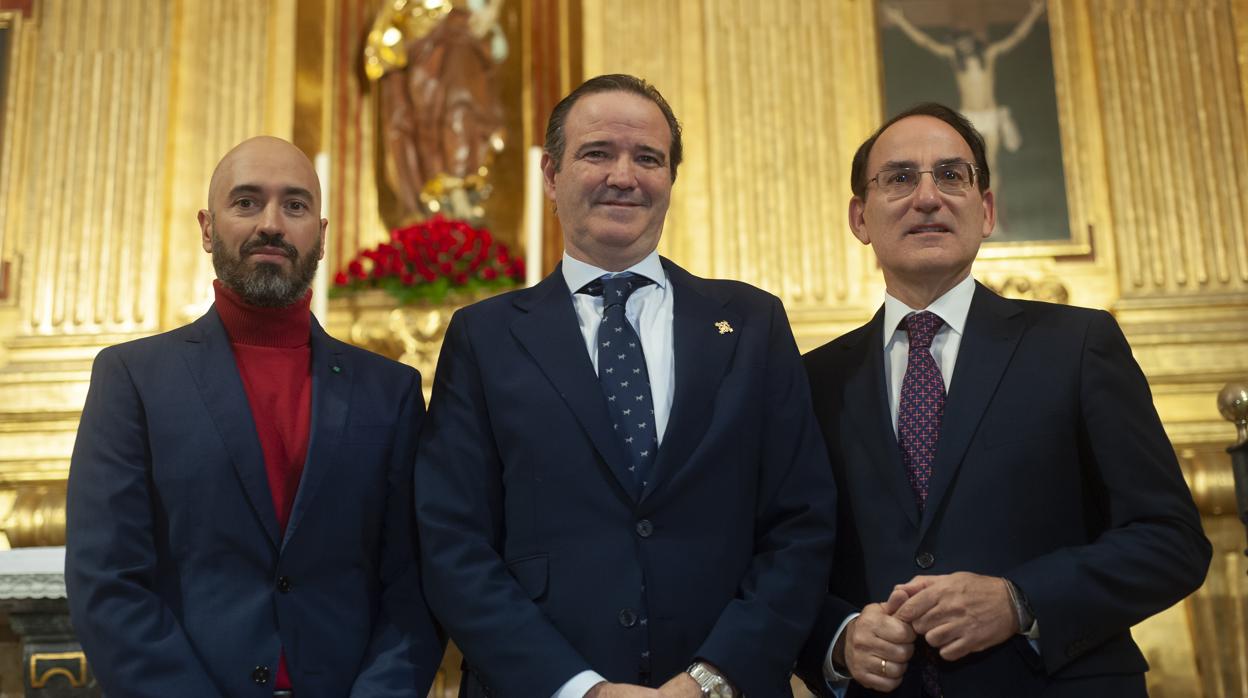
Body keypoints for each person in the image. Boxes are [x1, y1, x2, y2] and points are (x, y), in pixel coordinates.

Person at [416, 74, 837, 697]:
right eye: (597, 153)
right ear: (551, 176)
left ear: (670, 179)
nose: (624, 175)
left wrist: (711, 679)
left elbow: (800, 524)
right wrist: (580, 688)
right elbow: (452, 542)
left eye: (648, 158)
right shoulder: (484, 336)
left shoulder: (752, 323)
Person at [794, 103, 1211, 697]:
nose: (928, 197)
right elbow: (785, 559)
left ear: (985, 210)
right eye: (900, 178)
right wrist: (837, 637)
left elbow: (1171, 541)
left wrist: (1020, 600)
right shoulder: (814, 381)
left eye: (951, 175)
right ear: (860, 218)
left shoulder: (1078, 345)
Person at [65, 136, 443, 697]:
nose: (272, 223)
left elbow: (413, 585)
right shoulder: (134, 378)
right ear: (207, 228)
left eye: (294, 205)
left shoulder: (390, 391)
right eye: (246, 202)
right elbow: (109, 579)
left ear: (321, 233)